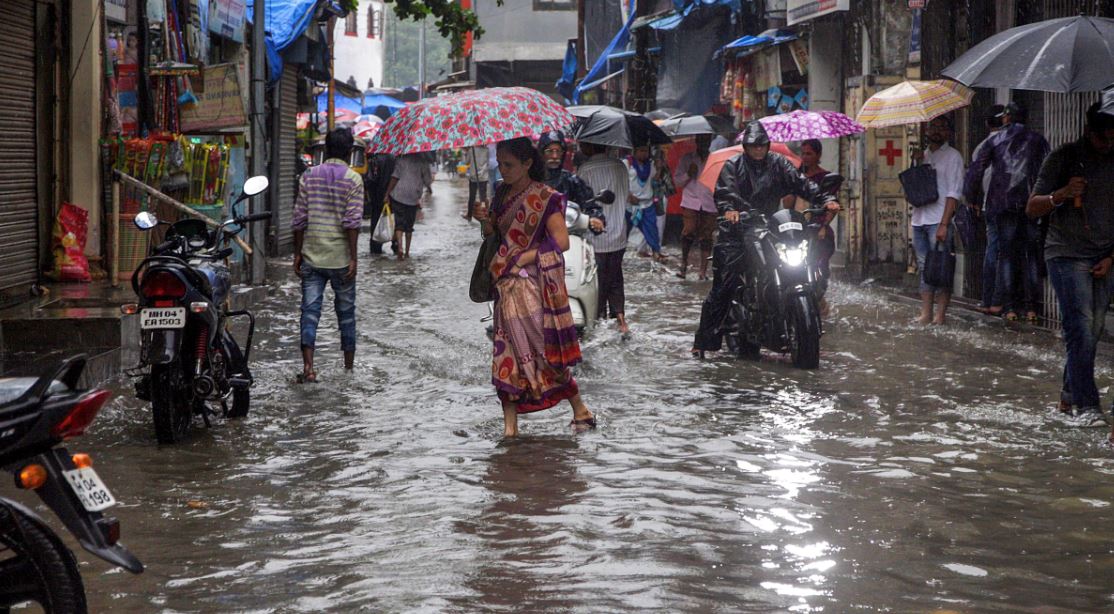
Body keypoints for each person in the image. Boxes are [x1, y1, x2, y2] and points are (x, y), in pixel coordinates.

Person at [472, 137, 597, 437]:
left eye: (509, 165)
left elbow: (562, 241)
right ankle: (510, 429)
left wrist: (522, 257)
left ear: (528, 164)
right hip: (505, 286)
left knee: (542, 351)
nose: (503, 171)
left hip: (534, 287)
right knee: (507, 355)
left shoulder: (547, 197)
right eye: (500, 164)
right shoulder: (501, 193)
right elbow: (493, 233)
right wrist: (483, 220)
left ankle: (580, 407)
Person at [691, 121, 839, 357]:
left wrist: (824, 198)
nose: (758, 150)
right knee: (724, 285)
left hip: (770, 225)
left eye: (762, 145)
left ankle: (794, 317)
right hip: (738, 230)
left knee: (802, 261)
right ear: (746, 146)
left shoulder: (779, 164)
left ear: (768, 145)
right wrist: (730, 210)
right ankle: (703, 341)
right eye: (754, 146)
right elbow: (725, 193)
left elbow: (802, 183)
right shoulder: (733, 166)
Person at [1026, 102, 1114, 428]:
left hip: (1105, 255)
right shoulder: (1062, 158)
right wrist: (1061, 194)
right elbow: (1032, 208)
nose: (1109, 144)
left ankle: (1067, 391)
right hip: (1066, 254)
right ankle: (1087, 406)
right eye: (1104, 138)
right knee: (1082, 328)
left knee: (1093, 329)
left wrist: (1110, 258)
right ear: (1089, 132)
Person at [964, 102, 1050, 323]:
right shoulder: (1039, 141)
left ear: (1006, 118)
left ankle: (1010, 307)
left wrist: (972, 198)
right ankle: (1031, 308)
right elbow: (1048, 170)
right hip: (1031, 204)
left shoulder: (994, 140)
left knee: (1007, 255)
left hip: (1002, 204)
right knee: (1030, 255)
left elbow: (976, 171)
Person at [292, 128, 364, 382]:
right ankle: (348, 369)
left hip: (312, 255)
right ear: (349, 152)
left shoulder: (308, 176)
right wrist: (354, 257)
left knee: (309, 312)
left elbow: (299, 219)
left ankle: (309, 368)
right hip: (341, 258)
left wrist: (298, 253)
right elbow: (352, 223)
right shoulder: (353, 180)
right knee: (346, 314)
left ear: (325, 150)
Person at [911, 116, 964, 325]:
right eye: (934, 127)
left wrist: (944, 223)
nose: (937, 131)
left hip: (938, 220)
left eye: (942, 128)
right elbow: (912, 188)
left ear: (949, 133)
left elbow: (953, 193)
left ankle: (940, 315)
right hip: (919, 219)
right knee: (924, 267)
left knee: (941, 268)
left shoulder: (953, 157)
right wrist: (916, 162)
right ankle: (925, 313)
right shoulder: (922, 156)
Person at [577, 141, 632, 334]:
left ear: (591, 146)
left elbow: (582, 202)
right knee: (616, 276)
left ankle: (598, 319)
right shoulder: (621, 167)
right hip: (619, 232)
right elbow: (625, 194)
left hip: (596, 236)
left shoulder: (585, 170)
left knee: (597, 280)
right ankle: (620, 319)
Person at [795, 139, 842, 315]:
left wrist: (823, 225)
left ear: (818, 155)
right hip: (798, 230)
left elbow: (832, 205)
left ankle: (821, 305)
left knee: (819, 270)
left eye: (809, 153)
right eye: (803, 153)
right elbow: (788, 204)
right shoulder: (796, 176)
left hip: (819, 231)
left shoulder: (826, 178)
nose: (805, 157)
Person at [968, 106, 1006, 314]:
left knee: (993, 252)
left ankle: (989, 299)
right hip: (1015, 206)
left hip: (990, 206)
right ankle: (1005, 302)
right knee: (1008, 253)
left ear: (987, 124)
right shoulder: (1015, 144)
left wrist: (973, 200)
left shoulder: (982, 147)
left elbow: (974, 178)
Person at [537, 130, 606, 231]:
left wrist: (595, 218)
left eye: (558, 151)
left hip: (567, 233)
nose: (554, 156)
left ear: (563, 153)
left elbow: (589, 205)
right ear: (541, 153)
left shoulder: (572, 181)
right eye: (549, 151)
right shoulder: (531, 179)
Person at [673, 134, 716, 280]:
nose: (703, 144)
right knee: (688, 231)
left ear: (710, 142)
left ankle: (703, 271)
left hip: (710, 202)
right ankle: (683, 263)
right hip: (691, 202)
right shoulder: (687, 159)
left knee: (706, 236)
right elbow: (677, 181)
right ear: (696, 142)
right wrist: (688, 175)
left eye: (706, 141)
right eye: (701, 141)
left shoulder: (715, 160)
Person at [384, 152, 432, 260]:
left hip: (398, 194)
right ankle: (407, 252)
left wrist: (387, 193)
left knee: (399, 223)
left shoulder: (401, 159)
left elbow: (395, 177)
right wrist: (428, 186)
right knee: (409, 226)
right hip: (413, 196)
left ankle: (400, 248)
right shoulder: (423, 160)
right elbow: (427, 179)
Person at [625, 144, 665, 261]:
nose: (644, 154)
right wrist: (628, 195)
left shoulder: (651, 165)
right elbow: (621, 180)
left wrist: (659, 168)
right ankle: (619, 251)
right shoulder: (627, 163)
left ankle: (656, 252)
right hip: (630, 204)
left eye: (646, 151)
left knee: (652, 229)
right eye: (641, 150)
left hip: (647, 203)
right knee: (624, 230)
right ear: (635, 151)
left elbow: (655, 179)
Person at [365, 151, 396, 255]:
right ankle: (395, 244)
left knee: (376, 220)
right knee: (393, 220)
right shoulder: (395, 158)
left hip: (377, 195)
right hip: (392, 195)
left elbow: (370, 179)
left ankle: (375, 246)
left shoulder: (375, 159)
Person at [461, 145, 489, 222]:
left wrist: (465, 153)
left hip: (473, 177)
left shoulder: (471, 150)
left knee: (472, 197)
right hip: (484, 177)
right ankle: (483, 213)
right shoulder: (486, 150)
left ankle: (469, 215)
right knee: (483, 197)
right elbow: (488, 163)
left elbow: (466, 162)